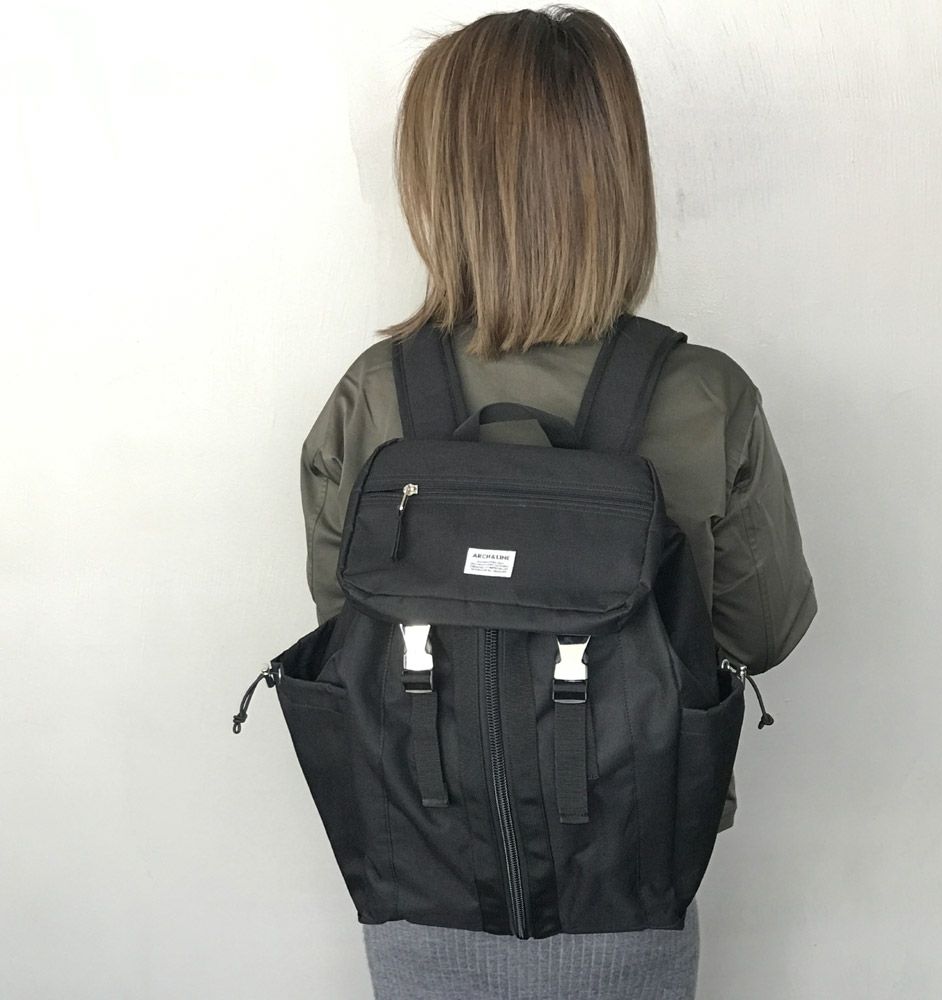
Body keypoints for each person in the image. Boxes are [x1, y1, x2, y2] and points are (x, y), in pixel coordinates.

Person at [298, 6, 816, 998]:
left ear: (440, 189)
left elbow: (345, 630)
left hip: (420, 876)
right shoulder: (704, 397)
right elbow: (765, 629)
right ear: (615, 177)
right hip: (632, 873)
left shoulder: (372, 399)